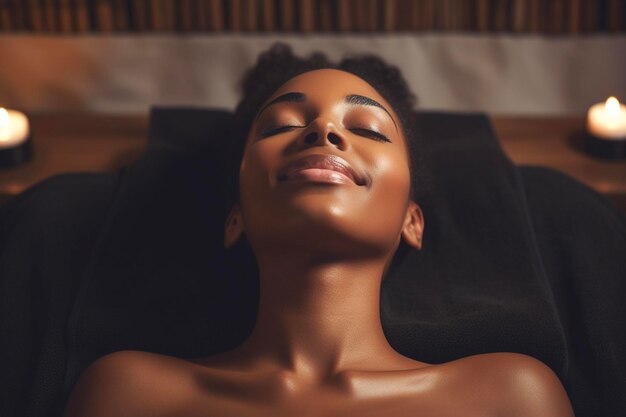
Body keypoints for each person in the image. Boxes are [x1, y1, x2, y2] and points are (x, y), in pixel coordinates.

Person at [63, 43, 575, 417]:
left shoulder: (511, 397)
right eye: (282, 124)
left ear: (411, 222)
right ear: (234, 216)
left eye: (368, 129)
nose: (323, 130)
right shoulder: (127, 395)